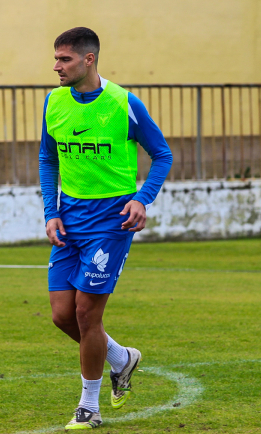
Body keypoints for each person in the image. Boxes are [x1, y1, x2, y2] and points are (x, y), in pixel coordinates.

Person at [39, 27, 173, 430]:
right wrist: (51, 211)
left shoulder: (123, 103)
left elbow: (161, 154)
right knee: (62, 316)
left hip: (111, 221)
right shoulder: (54, 102)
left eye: (65, 59)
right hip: (70, 218)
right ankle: (121, 358)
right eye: (56, 58)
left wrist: (141, 198)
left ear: (89, 59)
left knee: (86, 313)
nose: (56, 66)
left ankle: (89, 407)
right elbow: (48, 160)